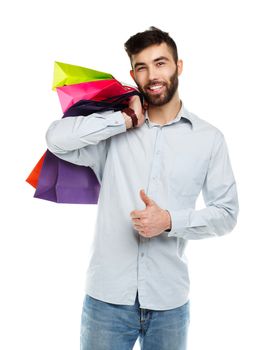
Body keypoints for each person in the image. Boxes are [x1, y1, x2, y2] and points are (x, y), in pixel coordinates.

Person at [46, 26, 239, 350]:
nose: (152, 75)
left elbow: (227, 213)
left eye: (160, 63)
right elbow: (56, 140)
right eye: (142, 67)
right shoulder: (113, 132)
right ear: (133, 75)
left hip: (170, 303)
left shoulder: (209, 139)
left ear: (178, 66)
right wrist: (122, 120)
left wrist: (169, 222)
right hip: (106, 300)